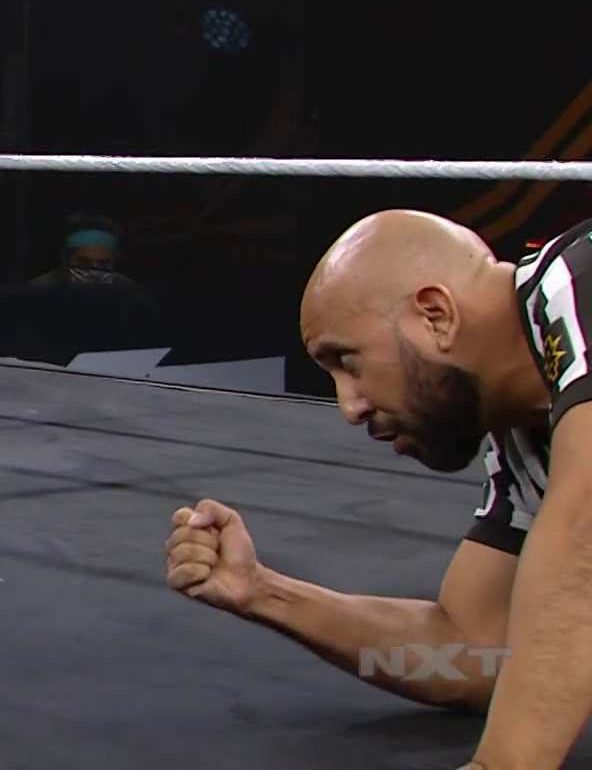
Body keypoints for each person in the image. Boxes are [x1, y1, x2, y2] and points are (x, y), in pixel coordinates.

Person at [164, 210, 592, 770]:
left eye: (347, 361)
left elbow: (584, 529)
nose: (350, 407)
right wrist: (262, 592)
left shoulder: (577, 281)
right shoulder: (527, 446)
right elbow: (473, 659)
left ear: (435, 316)